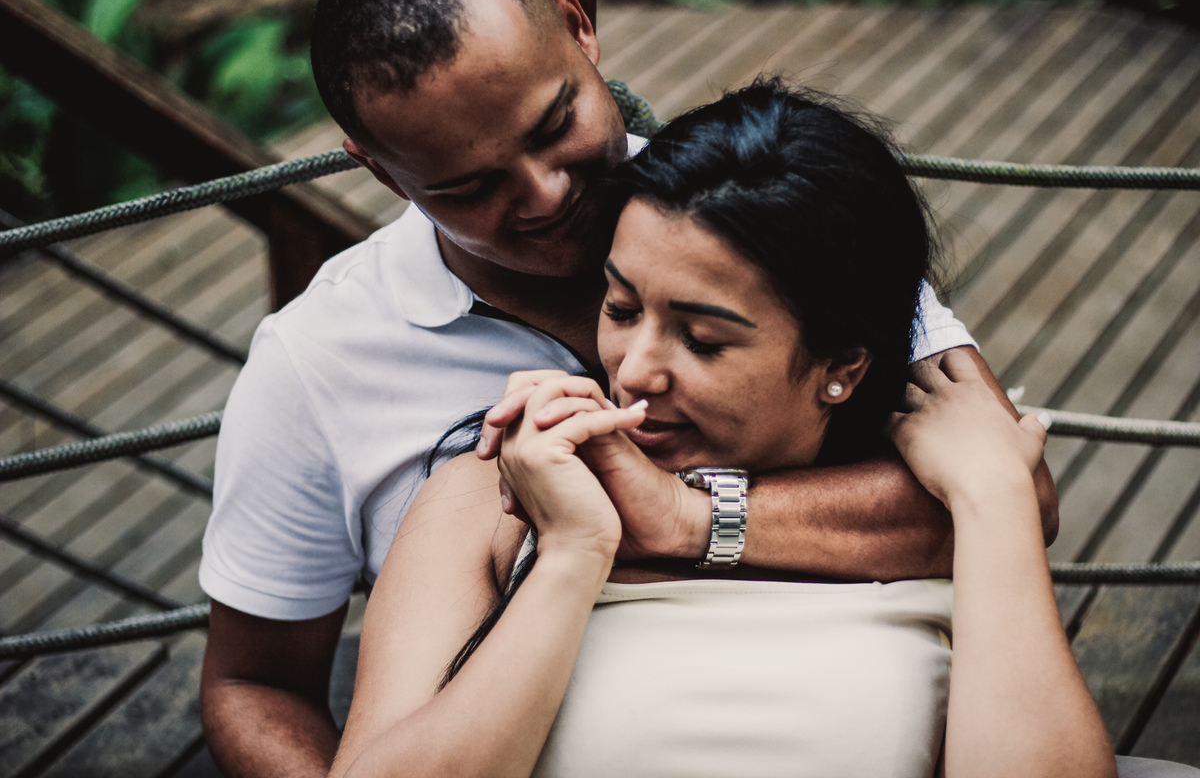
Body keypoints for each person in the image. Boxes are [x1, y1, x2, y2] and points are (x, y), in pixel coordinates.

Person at [197, 0, 1054, 776]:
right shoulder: (319, 364)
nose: (543, 195)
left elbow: (1008, 492)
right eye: (470, 187)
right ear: (380, 168)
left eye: (550, 128)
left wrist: (682, 516)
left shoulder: (765, 204)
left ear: (579, 24)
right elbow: (253, 685)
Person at [328, 81, 1114, 778]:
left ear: (841, 366)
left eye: (703, 340)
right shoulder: (496, 491)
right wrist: (572, 554)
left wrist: (994, 492)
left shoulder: (935, 512)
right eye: (620, 308)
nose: (632, 369)